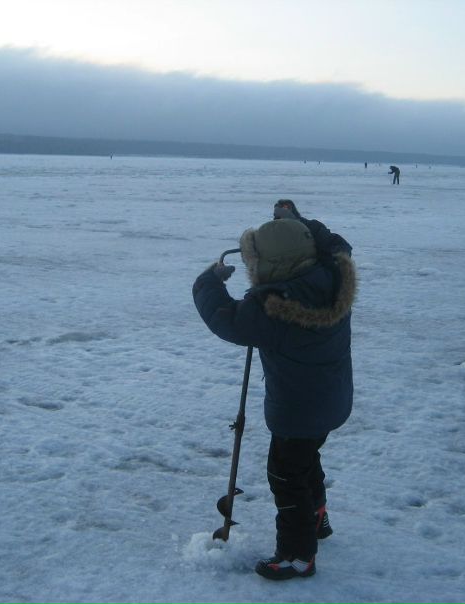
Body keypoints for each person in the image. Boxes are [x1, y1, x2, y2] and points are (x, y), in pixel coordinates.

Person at [193, 200, 356, 581]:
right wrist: (299, 224)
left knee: (286, 474)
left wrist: (208, 281)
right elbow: (335, 243)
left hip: (296, 410)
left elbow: (225, 319)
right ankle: (318, 518)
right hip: (331, 400)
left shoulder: (272, 306)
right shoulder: (333, 275)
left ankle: (297, 556)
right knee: (306, 457)